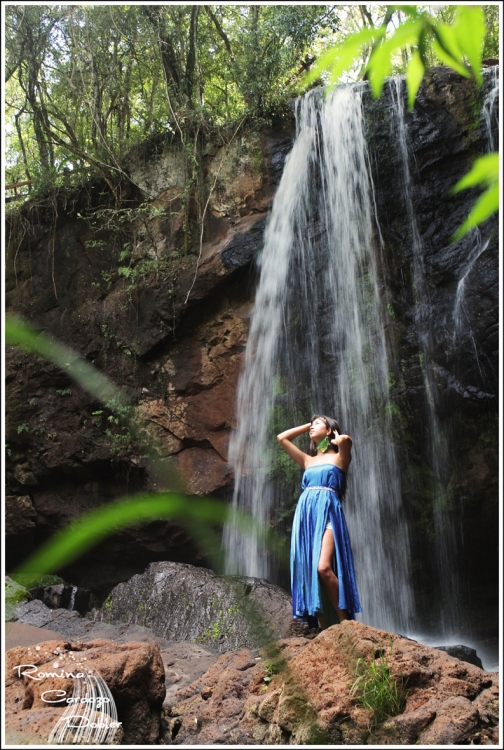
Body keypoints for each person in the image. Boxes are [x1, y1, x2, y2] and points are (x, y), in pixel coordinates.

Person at [277, 415, 362, 629]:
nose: (311, 427)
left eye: (318, 424)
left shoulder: (341, 458)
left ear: (329, 430)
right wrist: (310, 425)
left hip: (329, 512)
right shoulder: (308, 460)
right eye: (310, 425)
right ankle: (325, 628)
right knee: (311, 572)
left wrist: (333, 437)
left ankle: (346, 623)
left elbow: (346, 441)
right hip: (306, 516)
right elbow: (282, 438)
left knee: (323, 567)